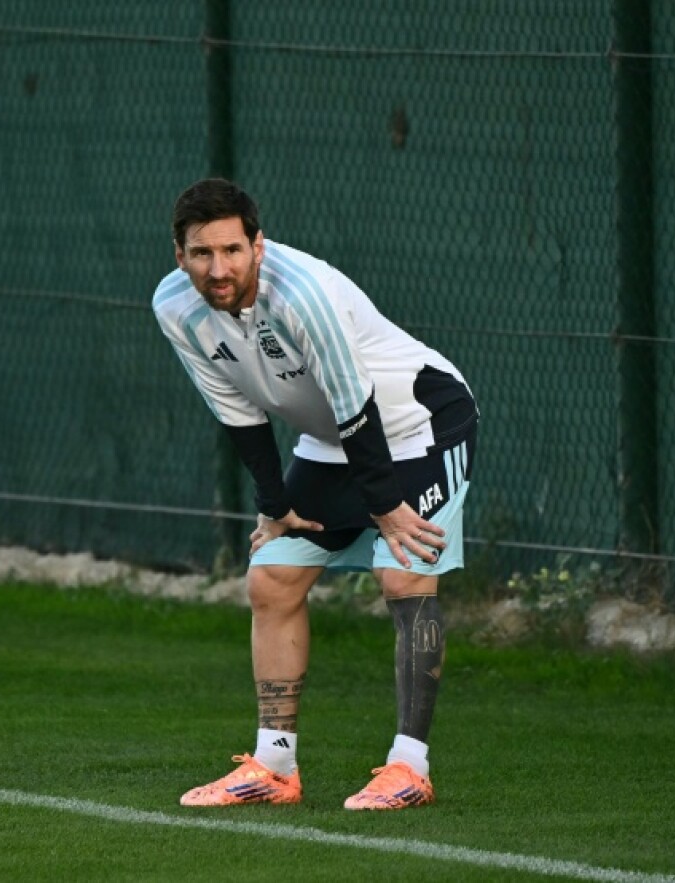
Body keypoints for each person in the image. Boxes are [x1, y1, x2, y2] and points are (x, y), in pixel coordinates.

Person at [153, 178, 477, 811]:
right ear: (179, 254)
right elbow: (237, 412)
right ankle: (274, 768)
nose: (218, 269)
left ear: (258, 246)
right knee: (270, 578)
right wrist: (274, 505)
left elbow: (355, 402)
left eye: (231, 250)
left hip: (417, 426)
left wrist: (385, 509)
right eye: (201, 254)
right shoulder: (173, 307)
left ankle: (410, 767)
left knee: (404, 575)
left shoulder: (303, 295)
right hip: (330, 439)